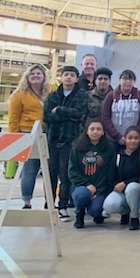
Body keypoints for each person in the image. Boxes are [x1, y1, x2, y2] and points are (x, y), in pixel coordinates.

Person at [43, 65, 88, 222]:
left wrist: (60, 110)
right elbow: (47, 117)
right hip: (52, 140)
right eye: (66, 74)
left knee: (65, 174)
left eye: (72, 75)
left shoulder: (81, 96)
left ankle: (62, 206)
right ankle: (48, 204)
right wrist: (67, 115)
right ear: (61, 78)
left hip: (70, 141)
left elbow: (80, 114)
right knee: (50, 174)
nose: (68, 77)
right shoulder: (52, 96)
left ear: (76, 79)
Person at [8, 64, 52, 209]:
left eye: (38, 73)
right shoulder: (19, 94)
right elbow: (13, 118)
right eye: (32, 74)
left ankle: (49, 201)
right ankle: (27, 201)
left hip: (48, 134)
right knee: (30, 170)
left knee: (50, 170)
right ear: (27, 77)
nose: (35, 76)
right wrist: (15, 139)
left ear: (44, 76)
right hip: (28, 134)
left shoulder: (50, 92)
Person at [69, 119, 116, 229]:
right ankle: (79, 215)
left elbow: (110, 171)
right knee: (81, 195)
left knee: (95, 210)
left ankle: (97, 213)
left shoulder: (109, 148)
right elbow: (72, 171)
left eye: (99, 129)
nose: (95, 132)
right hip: (81, 186)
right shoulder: (76, 149)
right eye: (92, 129)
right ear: (86, 131)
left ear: (103, 132)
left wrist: (101, 189)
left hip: (101, 188)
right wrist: (86, 185)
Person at [103, 126, 140, 230]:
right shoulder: (118, 155)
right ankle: (125, 212)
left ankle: (134, 217)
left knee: (132, 187)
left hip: (138, 191)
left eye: (136, 138)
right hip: (122, 191)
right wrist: (117, 185)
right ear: (125, 139)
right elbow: (111, 178)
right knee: (109, 205)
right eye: (130, 138)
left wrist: (125, 183)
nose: (133, 141)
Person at [102, 70, 140, 147]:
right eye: (124, 79)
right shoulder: (111, 96)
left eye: (130, 79)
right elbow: (105, 117)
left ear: (134, 81)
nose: (127, 81)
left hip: (134, 140)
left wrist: (135, 134)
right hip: (113, 140)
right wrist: (117, 136)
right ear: (119, 81)